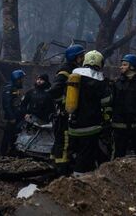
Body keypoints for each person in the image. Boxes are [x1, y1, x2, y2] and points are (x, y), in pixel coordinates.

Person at [67, 50, 112, 175]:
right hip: (90, 126)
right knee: (86, 155)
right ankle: (81, 180)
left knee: (75, 153)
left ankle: (69, 176)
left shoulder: (74, 75)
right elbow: (106, 101)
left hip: (72, 125)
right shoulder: (100, 80)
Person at [49, 44, 85, 174]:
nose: (83, 59)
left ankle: (55, 167)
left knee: (61, 141)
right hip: (64, 114)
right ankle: (61, 170)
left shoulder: (73, 70)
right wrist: (64, 103)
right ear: (74, 57)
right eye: (81, 56)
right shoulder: (65, 71)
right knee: (64, 142)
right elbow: (54, 91)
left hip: (66, 113)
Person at [0, 69, 26, 156]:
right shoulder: (9, 88)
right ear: (17, 78)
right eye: (21, 78)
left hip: (17, 115)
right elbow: (6, 105)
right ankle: (3, 153)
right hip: (12, 117)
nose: (22, 80)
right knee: (7, 135)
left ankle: (12, 153)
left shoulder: (15, 88)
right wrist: (11, 117)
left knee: (14, 134)